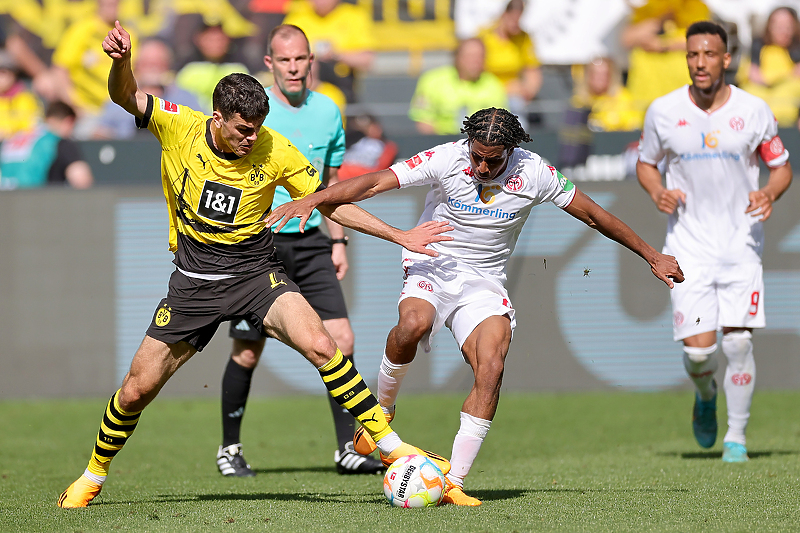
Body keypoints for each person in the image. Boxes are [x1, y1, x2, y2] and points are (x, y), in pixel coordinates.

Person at [56, 20, 454, 508]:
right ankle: (93, 476)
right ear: (219, 118)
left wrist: (399, 234)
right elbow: (127, 96)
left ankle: (394, 451)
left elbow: (328, 202)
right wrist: (121, 63)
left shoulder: (275, 149)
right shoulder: (178, 125)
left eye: (257, 130)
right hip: (194, 281)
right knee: (136, 391)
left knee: (324, 346)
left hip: (254, 273)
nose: (252, 139)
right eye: (243, 130)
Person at [265, 107, 684, 505]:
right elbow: (375, 182)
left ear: (511, 151)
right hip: (433, 260)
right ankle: (383, 411)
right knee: (411, 324)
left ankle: (455, 481)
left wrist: (651, 255)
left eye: (492, 160)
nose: (481, 168)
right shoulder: (447, 157)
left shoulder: (535, 171)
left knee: (493, 365)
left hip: (484, 281)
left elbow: (593, 215)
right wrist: (314, 200)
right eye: (476, 157)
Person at [216, 24, 383, 477]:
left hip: (310, 242)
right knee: (247, 351)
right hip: (259, 245)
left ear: (313, 61)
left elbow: (328, 189)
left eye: (301, 59)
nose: (293, 67)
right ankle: (229, 449)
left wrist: (338, 240)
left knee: (342, 340)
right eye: (284, 60)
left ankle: (348, 448)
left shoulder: (330, 111)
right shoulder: (256, 114)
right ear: (270, 63)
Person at [637, 21, 792, 463]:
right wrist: (657, 191)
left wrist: (769, 192)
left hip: (741, 243)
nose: (700, 63)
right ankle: (705, 395)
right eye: (692, 55)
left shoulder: (754, 109)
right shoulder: (663, 111)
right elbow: (647, 164)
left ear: (726, 59)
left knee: (738, 342)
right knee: (700, 353)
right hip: (688, 247)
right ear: (686, 58)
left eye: (708, 54)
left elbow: (781, 167)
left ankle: (737, 438)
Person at [94, 38, 201, 139]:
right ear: (137, 65)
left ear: (168, 65)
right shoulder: (120, 99)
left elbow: (204, 129)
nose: (152, 67)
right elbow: (100, 132)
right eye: (147, 63)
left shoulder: (185, 99)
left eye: (159, 62)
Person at [621, 0, 710, 113]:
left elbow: (704, 42)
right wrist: (662, 18)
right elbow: (627, 40)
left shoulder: (696, 6)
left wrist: (663, 46)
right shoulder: (643, 7)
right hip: (647, 92)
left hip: (684, 91)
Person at [409, 38, 508, 135]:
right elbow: (424, 122)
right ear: (457, 57)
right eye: (470, 56)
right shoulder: (432, 80)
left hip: (481, 146)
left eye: (480, 56)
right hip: (441, 144)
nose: (476, 61)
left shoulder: (493, 85)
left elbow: (500, 124)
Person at [283, 0, 375, 103]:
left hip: (343, 83)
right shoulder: (297, 17)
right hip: (306, 87)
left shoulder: (354, 16)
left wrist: (336, 55)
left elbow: (367, 60)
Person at [1, 100, 93, 189]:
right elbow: (81, 180)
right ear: (69, 121)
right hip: (35, 200)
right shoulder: (59, 142)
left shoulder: (16, 137)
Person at [478, 0, 542, 125]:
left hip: (515, 96)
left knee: (519, 121)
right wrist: (504, 89)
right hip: (487, 93)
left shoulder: (524, 38)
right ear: (503, 15)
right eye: (512, 19)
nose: (515, 24)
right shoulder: (485, 36)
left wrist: (527, 90)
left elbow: (532, 70)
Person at [738, 6, 800, 127]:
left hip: (788, 125)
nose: (784, 31)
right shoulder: (756, 50)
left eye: (788, 26)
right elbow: (752, 76)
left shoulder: (796, 52)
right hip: (755, 123)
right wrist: (786, 76)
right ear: (769, 26)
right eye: (778, 26)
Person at [175, 23, 249, 114]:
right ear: (199, 40)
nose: (216, 44)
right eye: (210, 40)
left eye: (219, 39)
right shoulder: (188, 70)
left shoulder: (239, 68)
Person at [0, 49, 42, 141]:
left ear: (13, 74)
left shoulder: (26, 98)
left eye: (3, 72)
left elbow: (33, 124)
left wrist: (9, 132)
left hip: (20, 146)